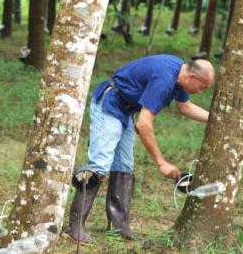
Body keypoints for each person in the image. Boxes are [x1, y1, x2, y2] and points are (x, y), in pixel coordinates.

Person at [67, 55, 215, 243]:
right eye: (203, 87)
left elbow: (185, 107)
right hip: (111, 102)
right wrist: (161, 163)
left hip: (126, 109)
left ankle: (118, 226)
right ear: (192, 77)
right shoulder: (165, 79)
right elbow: (144, 124)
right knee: (100, 164)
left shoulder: (180, 75)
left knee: (124, 166)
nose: (202, 92)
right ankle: (75, 226)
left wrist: (216, 118)